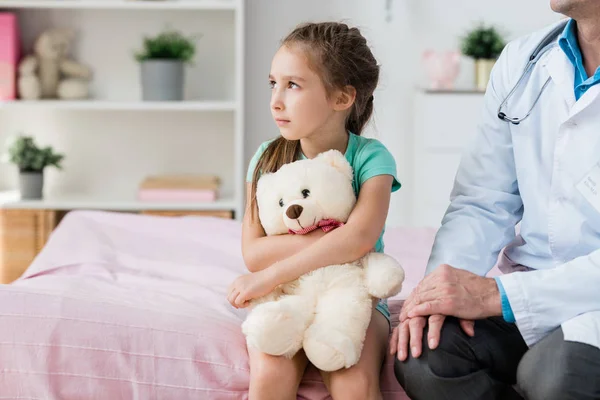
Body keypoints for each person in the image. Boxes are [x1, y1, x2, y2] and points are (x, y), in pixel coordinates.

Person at [392, 1, 600, 399]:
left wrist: (497, 295)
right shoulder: (523, 61)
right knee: (425, 354)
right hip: (528, 289)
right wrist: (437, 295)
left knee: (554, 374)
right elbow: (482, 200)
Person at [226, 22, 401, 400]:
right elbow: (253, 253)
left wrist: (274, 268)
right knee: (269, 378)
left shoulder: (372, 158)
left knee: (354, 383)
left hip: (353, 294)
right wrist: (330, 238)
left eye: (293, 85)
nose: (275, 100)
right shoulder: (265, 158)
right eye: (273, 83)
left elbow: (359, 240)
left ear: (341, 98)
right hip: (284, 293)